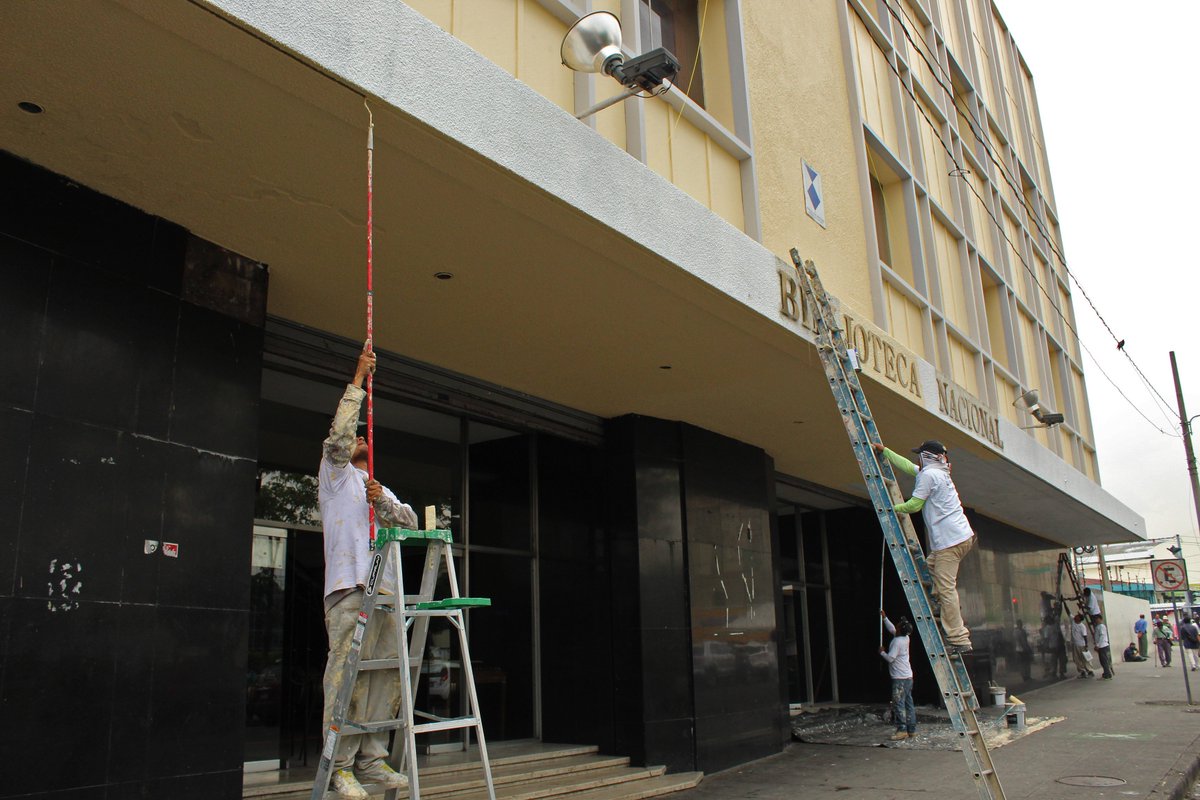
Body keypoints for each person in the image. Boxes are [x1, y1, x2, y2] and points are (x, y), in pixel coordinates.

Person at [319, 344, 419, 800]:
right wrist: (358, 378)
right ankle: (338, 765)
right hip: (349, 590)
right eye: (355, 440)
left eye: (364, 439)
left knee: (382, 677)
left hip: (384, 593)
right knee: (346, 677)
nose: (359, 442)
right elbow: (340, 436)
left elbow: (411, 522)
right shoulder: (334, 475)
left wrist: (381, 500)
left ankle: (371, 760)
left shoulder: (376, 486)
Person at [873, 440, 975, 654]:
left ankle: (959, 638)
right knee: (928, 569)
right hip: (957, 538)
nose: (917, 458)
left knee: (946, 587)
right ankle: (942, 605)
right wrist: (886, 452)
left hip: (950, 541)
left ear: (928, 457)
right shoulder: (935, 472)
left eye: (920, 454)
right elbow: (909, 467)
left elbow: (914, 505)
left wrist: (890, 508)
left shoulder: (930, 475)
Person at [880, 610, 916, 741]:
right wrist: (885, 618)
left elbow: (891, 658)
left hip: (899, 678)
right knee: (908, 703)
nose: (897, 625)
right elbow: (892, 629)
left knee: (898, 704)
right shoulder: (905, 638)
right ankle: (911, 729)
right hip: (908, 677)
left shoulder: (897, 642)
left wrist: (882, 652)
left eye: (899, 624)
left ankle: (902, 730)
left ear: (900, 629)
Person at [1070, 613, 1093, 678]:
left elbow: (1085, 636)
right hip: (1075, 644)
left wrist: (1086, 645)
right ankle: (1082, 671)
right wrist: (1064, 603)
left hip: (1081, 644)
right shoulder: (1073, 621)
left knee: (1085, 658)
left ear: (1079, 619)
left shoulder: (1082, 626)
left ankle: (1090, 671)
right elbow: (1069, 612)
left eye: (1077, 616)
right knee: (1076, 659)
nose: (1075, 616)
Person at [1092, 615, 1113, 679]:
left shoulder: (1101, 626)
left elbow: (1102, 636)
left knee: (1104, 661)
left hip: (1103, 646)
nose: (1096, 620)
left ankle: (1107, 674)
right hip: (1101, 645)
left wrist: (1098, 645)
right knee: (1103, 661)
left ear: (1101, 619)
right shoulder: (1098, 626)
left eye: (1097, 619)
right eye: (1095, 619)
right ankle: (1106, 673)